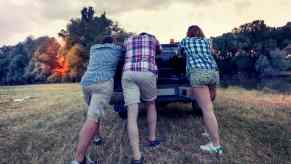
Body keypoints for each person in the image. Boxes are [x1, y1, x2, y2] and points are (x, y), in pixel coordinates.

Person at [71, 36, 123, 164]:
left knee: (92, 114)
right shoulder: (117, 49)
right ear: (113, 42)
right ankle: (78, 160)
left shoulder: (94, 49)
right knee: (92, 119)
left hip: (86, 83)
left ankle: (97, 137)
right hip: (102, 82)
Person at [179, 25, 223, 154]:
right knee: (209, 108)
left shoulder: (185, 41)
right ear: (201, 32)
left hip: (198, 73)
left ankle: (215, 145)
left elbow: (178, 54)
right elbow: (213, 53)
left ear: (188, 33)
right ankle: (209, 132)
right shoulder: (208, 41)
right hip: (213, 73)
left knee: (207, 109)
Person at [122, 32, 162, 164]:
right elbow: (159, 51)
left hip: (128, 74)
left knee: (132, 114)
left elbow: (123, 52)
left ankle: (137, 157)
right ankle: (152, 139)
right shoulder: (153, 39)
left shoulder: (128, 40)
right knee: (151, 104)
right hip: (146, 72)